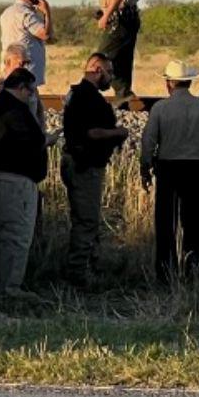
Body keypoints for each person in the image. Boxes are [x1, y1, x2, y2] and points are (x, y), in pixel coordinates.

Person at [140, 60, 199, 282]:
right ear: (189, 82)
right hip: (196, 169)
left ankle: (165, 272)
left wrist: (145, 167)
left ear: (169, 83)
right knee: (194, 221)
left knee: (166, 222)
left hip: (168, 168)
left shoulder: (160, 108)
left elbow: (148, 141)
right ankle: (193, 268)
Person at [60, 53, 128, 286]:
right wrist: (117, 133)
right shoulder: (88, 98)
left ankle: (90, 264)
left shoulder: (78, 94)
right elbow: (91, 132)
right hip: (85, 165)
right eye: (109, 72)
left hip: (78, 162)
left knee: (85, 218)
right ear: (97, 69)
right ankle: (78, 273)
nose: (111, 77)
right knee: (86, 220)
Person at [0, 68, 47, 302]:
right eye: (31, 91)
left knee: (4, 234)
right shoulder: (15, 110)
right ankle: (9, 287)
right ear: (22, 88)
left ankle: (1, 282)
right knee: (17, 234)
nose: (32, 95)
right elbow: (32, 140)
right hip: (15, 180)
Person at [91, 0, 144, 107]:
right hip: (127, 18)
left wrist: (106, 15)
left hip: (120, 20)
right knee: (121, 60)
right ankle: (123, 96)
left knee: (102, 57)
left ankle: (90, 92)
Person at [0, 0, 53, 88]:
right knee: (28, 101)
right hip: (26, 71)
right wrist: (47, 12)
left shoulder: (7, 12)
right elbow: (45, 34)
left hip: (9, 67)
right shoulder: (26, 14)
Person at [0, 42, 45, 125]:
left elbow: (40, 115)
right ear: (8, 63)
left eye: (27, 63)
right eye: (21, 64)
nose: (25, 68)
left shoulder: (31, 88)